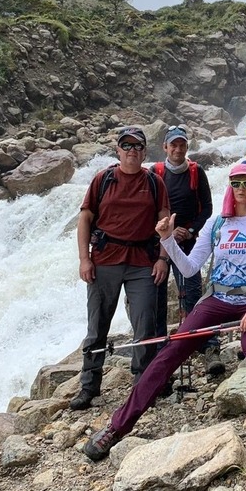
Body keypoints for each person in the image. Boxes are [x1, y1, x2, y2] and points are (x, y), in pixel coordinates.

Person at [83, 163, 246, 460]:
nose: (241, 189)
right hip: (217, 299)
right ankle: (117, 427)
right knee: (171, 351)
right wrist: (166, 239)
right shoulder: (216, 223)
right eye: (236, 183)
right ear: (229, 186)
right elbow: (190, 268)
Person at [70, 126, 170, 411]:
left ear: (145, 152)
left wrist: (163, 259)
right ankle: (89, 386)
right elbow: (85, 219)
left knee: (145, 325)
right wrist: (84, 259)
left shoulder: (154, 183)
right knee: (97, 327)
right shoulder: (103, 179)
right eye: (126, 146)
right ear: (117, 151)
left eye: (137, 146)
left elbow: (165, 223)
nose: (131, 151)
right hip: (104, 261)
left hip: (142, 263)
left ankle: (142, 385)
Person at [151, 125, 219, 375]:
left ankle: (208, 346)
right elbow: (148, 208)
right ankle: (160, 352)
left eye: (182, 145)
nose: (178, 149)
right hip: (160, 242)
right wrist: (166, 231)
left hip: (187, 240)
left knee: (194, 294)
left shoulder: (196, 171)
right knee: (157, 296)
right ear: (165, 147)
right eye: (173, 145)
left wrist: (189, 231)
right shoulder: (155, 173)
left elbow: (207, 208)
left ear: (187, 147)